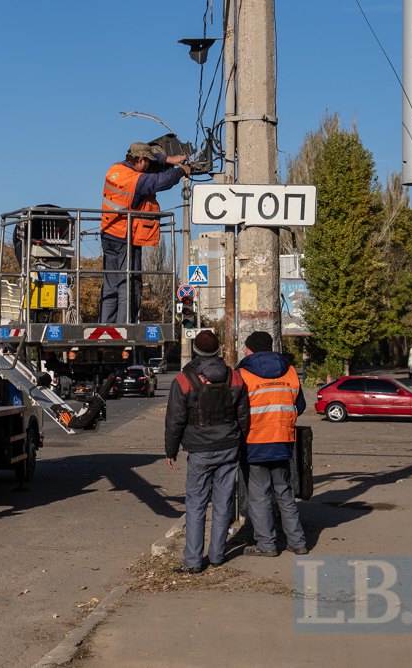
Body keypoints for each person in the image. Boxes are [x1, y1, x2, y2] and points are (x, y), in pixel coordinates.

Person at [165, 329, 250, 574]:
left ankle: (192, 561)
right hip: (229, 447)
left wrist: (171, 451)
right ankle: (217, 555)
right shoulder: (234, 378)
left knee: (196, 504)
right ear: (217, 350)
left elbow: (175, 420)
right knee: (223, 503)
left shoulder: (183, 380)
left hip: (199, 450)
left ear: (195, 351)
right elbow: (243, 415)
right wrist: (240, 441)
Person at [99, 142, 192, 323]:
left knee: (111, 283)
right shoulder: (136, 180)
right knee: (129, 284)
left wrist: (168, 159)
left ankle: (106, 324)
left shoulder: (115, 169)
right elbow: (161, 181)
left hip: (108, 233)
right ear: (140, 160)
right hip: (124, 237)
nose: (149, 166)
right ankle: (125, 327)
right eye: (147, 162)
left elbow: (150, 159)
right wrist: (181, 170)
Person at [235, 331, 308, 557]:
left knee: (259, 496)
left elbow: (237, 409)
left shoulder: (243, 373)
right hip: (283, 440)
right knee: (285, 492)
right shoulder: (291, 371)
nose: (245, 351)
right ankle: (298, 542)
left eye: (246, 347)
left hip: (255, 441)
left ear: (252, 349)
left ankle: (267, 545)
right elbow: (301, 405)